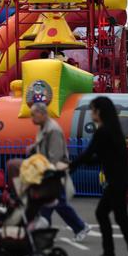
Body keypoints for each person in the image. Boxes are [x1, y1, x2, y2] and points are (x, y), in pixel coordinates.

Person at [70, 96, 128, 256]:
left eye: (92, 109)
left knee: (117, 218)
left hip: (117, 181)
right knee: (107, 214)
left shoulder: (103, 131)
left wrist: (68, 167)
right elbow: (100, 157)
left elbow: (88, 154)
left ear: (99, 111)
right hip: (118, 180)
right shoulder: (112, 130)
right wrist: (82, 163)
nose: (91, 113)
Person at [28, 102, 91, 241]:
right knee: (51, 202)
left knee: (56, 202)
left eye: (33, 114)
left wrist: (44, 172)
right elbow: (44, 146)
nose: (31, 117)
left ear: (42, 113)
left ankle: (80, 227)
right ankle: (47, 232)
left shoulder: (53, 129)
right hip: (49, 171)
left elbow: (55, 156)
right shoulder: (44, 127)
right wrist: (34, 147)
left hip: (54, 172)